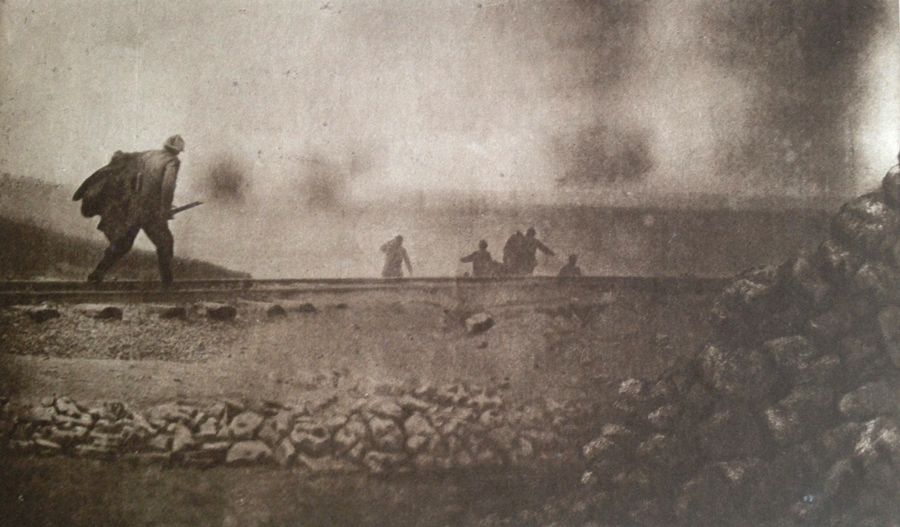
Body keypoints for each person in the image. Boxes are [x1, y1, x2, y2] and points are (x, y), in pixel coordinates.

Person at [72, 135, 185, 287]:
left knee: (122, 244)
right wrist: (165, 209)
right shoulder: (172, 161)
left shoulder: (147, 154)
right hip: (150, 212)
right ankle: (167, 282)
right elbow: (167, 186)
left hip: (132, 208)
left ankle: (97, 274)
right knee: (165, 243)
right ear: (177, 151)